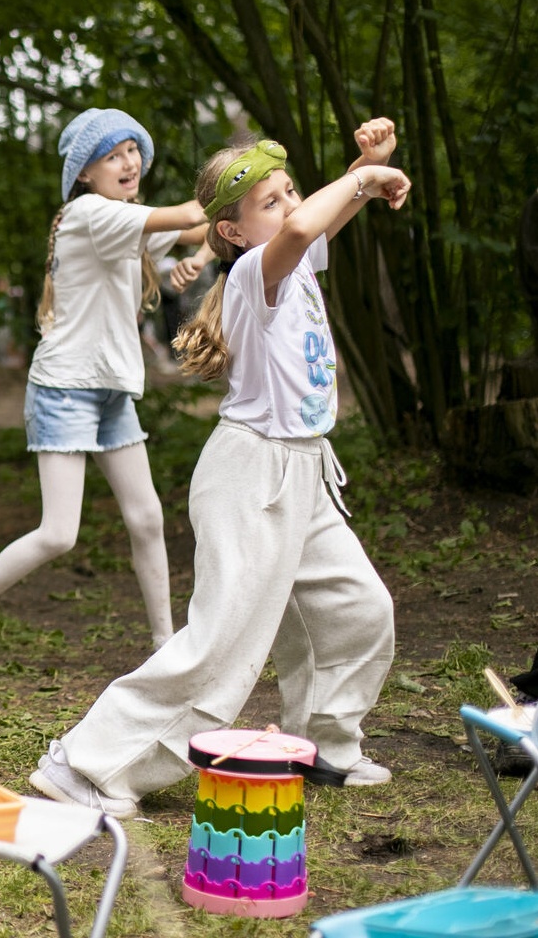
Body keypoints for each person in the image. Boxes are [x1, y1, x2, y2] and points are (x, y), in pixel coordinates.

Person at [27, 119, 409, 818]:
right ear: (232, 232)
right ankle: (83, 762)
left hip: (304, 472)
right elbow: (299, 232)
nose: (291, 208)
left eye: (292, 191)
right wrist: (359, 177)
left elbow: (314, 227)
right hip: (249, 475)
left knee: (357, 610)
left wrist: (367, 165)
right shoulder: (252, 278)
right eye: (271, 201)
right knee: (221, 641)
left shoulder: (293, 259)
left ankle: (323, 743)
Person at [0, 108, 206, 680]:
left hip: (109, 391)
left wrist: (200, 253)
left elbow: (200, 231)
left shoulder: (124, 218)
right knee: (59, 533)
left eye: (133, 151)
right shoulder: (90, 213)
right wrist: (245, 182)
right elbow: (193, 213)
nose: (128, 163)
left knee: (147, 517)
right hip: (65, 388)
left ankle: (164, 646)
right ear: (85, 173)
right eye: (112, 155)